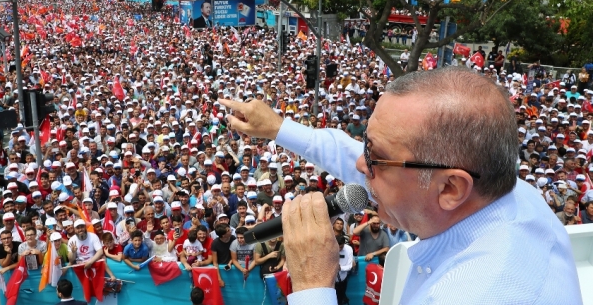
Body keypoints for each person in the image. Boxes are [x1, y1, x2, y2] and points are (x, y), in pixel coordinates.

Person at [220, 67, 581, 305]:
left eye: (373, 156)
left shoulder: (478, 293)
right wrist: (278, 128)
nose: (360, 166)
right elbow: (386, 164)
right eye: (365, 145)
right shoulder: (506, 192)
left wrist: (313, 286)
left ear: (451, 189)